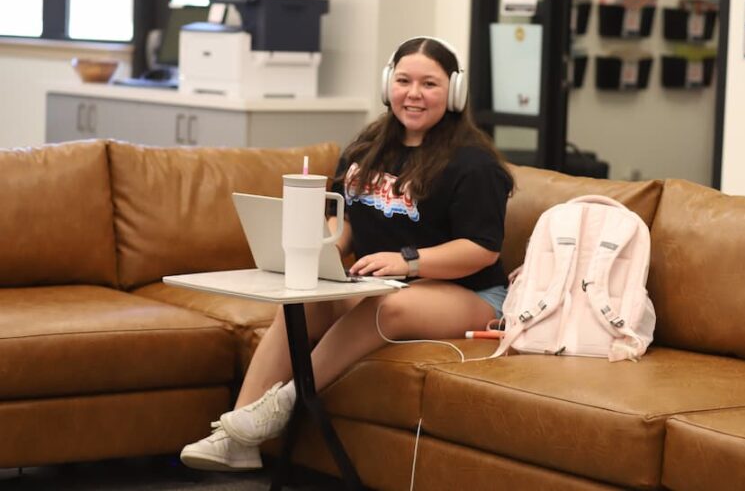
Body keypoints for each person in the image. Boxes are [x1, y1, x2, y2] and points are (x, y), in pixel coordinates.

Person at [180, 36, 514, 471]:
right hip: (385, 284)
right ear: (387, 85)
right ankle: (235, 438)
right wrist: (330, 248)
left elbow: (481, 250)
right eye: (404, 80)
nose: (414, 94)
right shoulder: (367, 147)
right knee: (302, 303)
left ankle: (283, 403)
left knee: (391, 306)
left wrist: (408, 260)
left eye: (429, 84)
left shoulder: (474, 164)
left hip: (469, 295)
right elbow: (350, 216)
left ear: (454, 92)